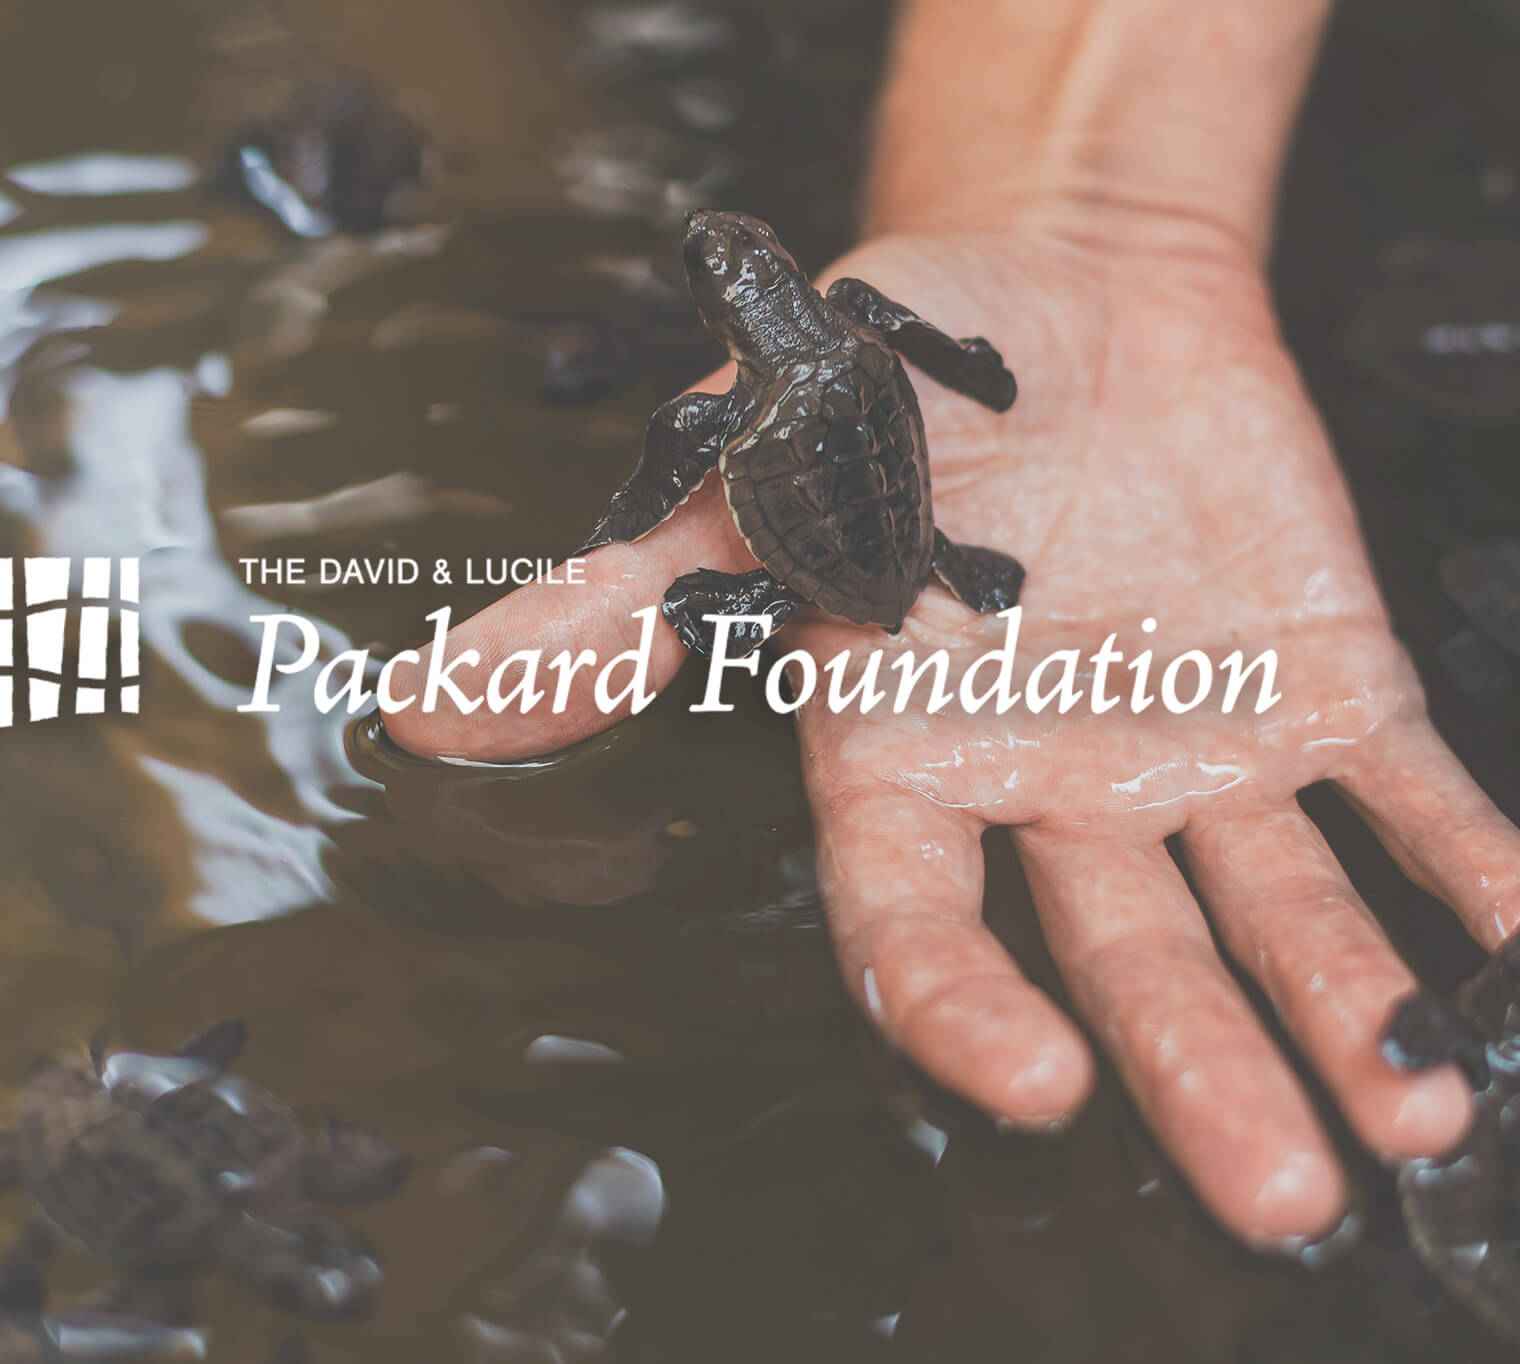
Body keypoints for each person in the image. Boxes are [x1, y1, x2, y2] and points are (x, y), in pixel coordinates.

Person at [385, 0, 1520, 1251]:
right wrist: (1050, 236)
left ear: (727, 321)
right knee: (879, 551)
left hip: (824, 569)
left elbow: (660, 471)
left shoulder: (717, 422)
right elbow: (947, 354)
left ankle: (754, 600)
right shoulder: (862, 318)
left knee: (713, 586)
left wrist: (625, 533)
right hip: (920, 535)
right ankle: (935, 565)